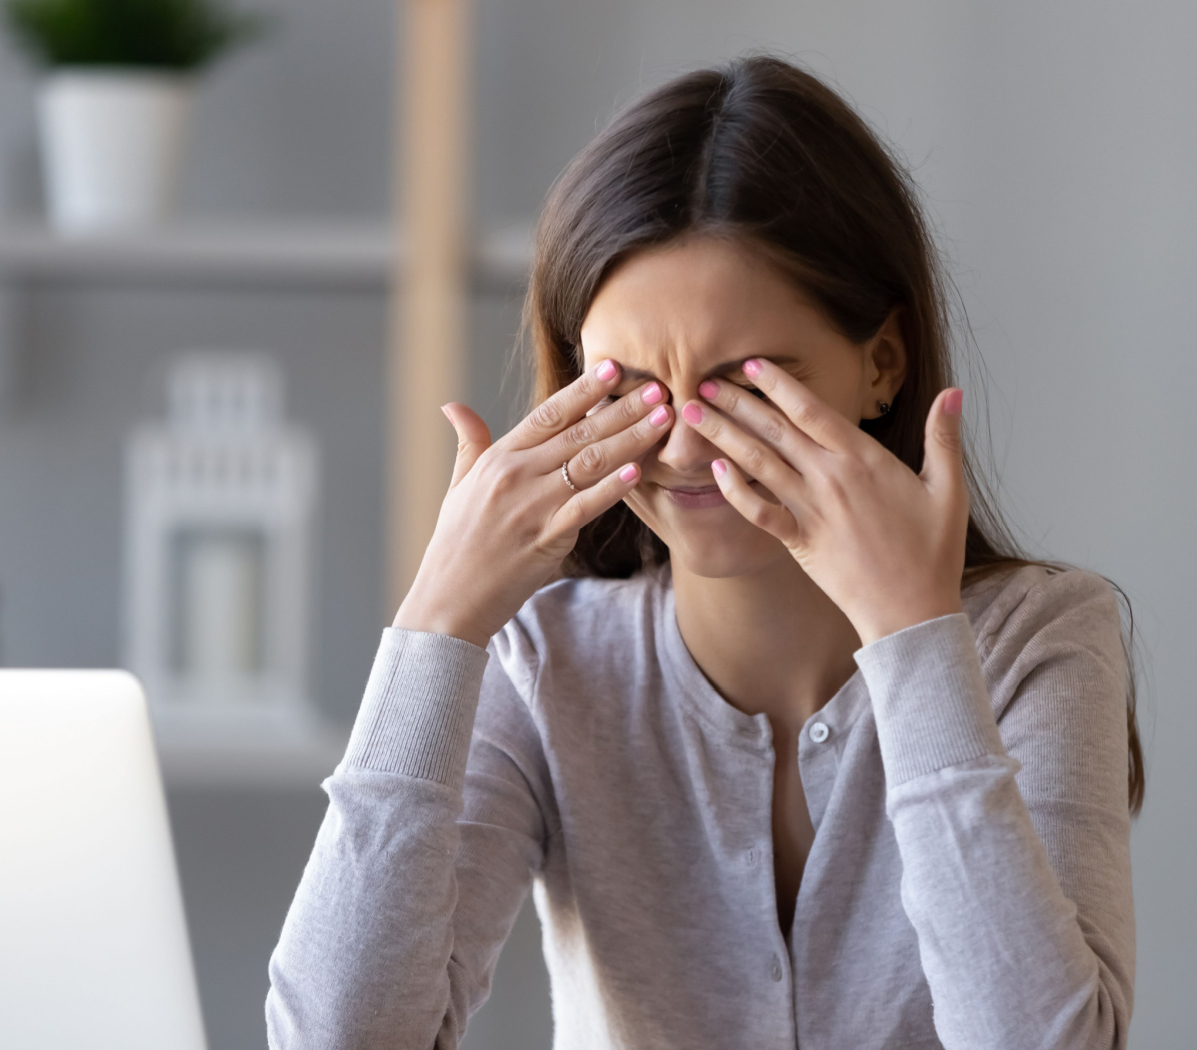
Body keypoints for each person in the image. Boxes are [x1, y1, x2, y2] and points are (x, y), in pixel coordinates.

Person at [268, 54, 1144, 1050]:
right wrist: (436, 625)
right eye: (631, 388)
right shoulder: (545, 661)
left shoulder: (1038, 639)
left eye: (743, 385)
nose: (682, 445)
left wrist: (913, 637)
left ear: (882, 364)